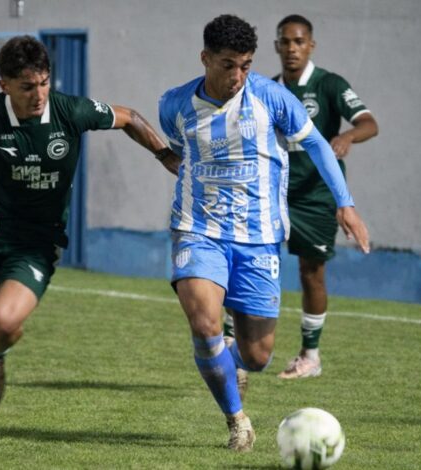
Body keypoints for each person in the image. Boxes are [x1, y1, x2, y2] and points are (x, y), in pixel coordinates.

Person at [0, 35, 179, 437]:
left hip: (37, 241)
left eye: (43, 83)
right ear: (5, 85)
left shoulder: (69, 110)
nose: (39, 94)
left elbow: (130, 117)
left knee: (2, 323)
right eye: (27, 86)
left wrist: (166, 156)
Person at [159, 15, 369, 451]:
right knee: (204, 324)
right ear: (205, 59)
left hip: (258, 237)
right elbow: (179, 151)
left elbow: (315, 144)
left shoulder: (272, 99)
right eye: (228, 64)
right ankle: (238, 421)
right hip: (197, 229)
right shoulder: (174, 104)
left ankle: (231, 362)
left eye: (247, 65)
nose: (237, 76)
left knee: (257, 357)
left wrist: (345, 203)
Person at [222, 14, 379, 382]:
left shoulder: (329, 85)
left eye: (299, 41)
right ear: (276, 47)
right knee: (242, 263)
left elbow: (370, 123)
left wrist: (347, 137)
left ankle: (310, 355)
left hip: (317, 196)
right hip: (271, 194)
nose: (292, 48)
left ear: (311, 45)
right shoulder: (264, 88)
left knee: (312, 272)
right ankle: (230, 346)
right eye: (285, 42)